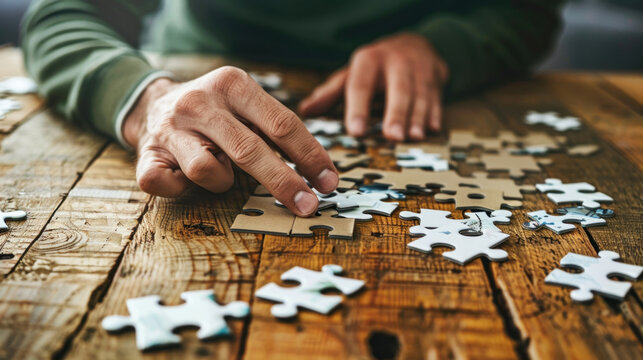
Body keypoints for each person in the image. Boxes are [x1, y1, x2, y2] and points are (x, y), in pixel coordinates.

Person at [21, 0, 562, 217]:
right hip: (190, 65)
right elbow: (62, 14)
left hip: (424, 92)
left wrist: (445, 45)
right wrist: (147, 99)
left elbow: (526, 11)